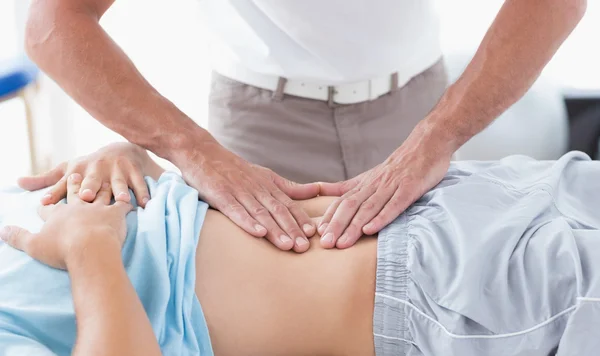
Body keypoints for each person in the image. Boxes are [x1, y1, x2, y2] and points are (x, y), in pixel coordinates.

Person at [1, 142, 600, 356]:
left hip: (471, 188)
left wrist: (120, 154)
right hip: (446, 286)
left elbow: (152, 193)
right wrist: (89, 250)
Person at [20, 0, 587, 253]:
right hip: (260, 119)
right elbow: (53, 24)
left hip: (415, 103)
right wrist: (180, 149)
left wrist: (437, 136)